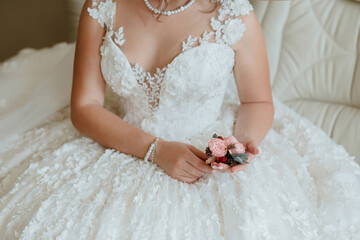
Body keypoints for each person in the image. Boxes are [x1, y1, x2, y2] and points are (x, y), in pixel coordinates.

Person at [0, 0, 359, 239]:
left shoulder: (232, 14)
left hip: (204, 149)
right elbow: (85, 107)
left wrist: (242, 143)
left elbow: (257, 99)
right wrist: (155, 149)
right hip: (123, 139)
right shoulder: (102, 6)